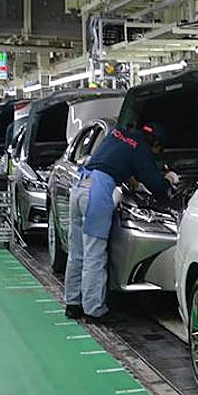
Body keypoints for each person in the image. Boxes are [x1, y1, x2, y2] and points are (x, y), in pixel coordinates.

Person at [63, 123, 177, 325]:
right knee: (95, 254)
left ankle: (73, 303)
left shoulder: (118, 133)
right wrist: (167, 180)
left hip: (79, 186)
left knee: (77, 251)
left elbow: (112, 162)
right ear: (156, 144)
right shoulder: (141, 150)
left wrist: (131, 176)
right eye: (159, 151)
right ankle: (94, 310)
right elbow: (156, 186)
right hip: (97, 193)